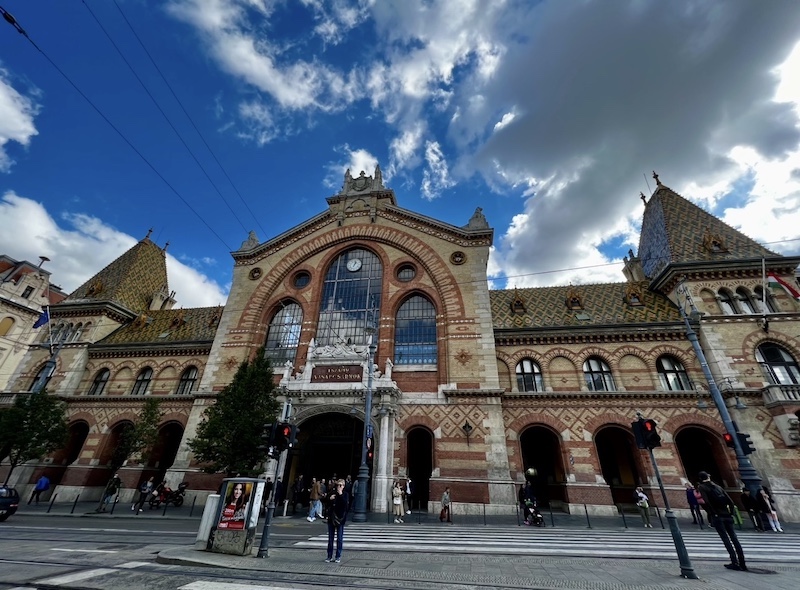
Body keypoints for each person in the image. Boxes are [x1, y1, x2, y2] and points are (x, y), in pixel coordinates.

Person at [697, 471, 747, 571]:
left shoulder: (702, 487)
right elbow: (731, 502)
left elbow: (707, 502)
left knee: (725, 539)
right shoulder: (718, 486)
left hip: (718, 516)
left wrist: (713, 514)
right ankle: (742, 563)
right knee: (734, 538)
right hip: (727, 516)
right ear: (708, 477)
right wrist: (731, 514)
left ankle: (734, 562)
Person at [324, 479, 349, 563]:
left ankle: (338, 556)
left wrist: (340, 494)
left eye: (341, 485)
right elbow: (326, 503)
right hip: (332, 518)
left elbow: (345, 505)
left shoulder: (345, 494)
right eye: (338, 485)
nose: (339, 487)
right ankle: (329, 556)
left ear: (343, 486)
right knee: (330, 539)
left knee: (339, 539)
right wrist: (329, 499)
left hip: (340, 519)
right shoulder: (332, 493)